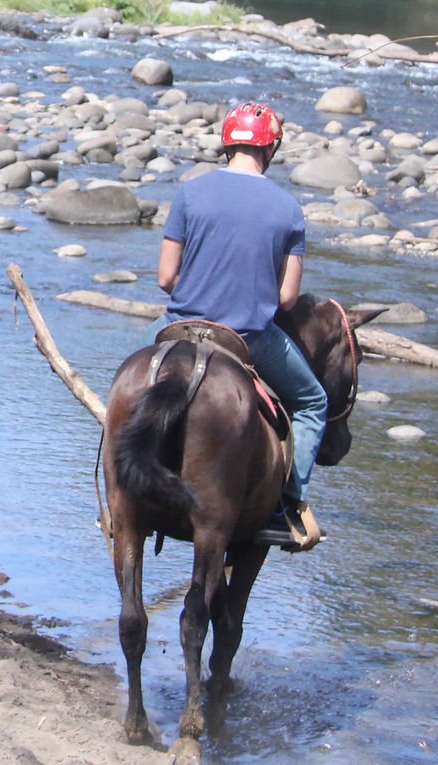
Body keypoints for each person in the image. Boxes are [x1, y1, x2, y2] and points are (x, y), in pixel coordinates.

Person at [155, 101, 325, 550]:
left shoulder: (191, 193)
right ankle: (288, 507)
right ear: (270, 148)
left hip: (180, 327)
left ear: (227, 144)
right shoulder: (289, 209)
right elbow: (287, 298)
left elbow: (165, 278)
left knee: (128, 389)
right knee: (312, 402)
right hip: (247, 338)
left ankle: (121, 495)